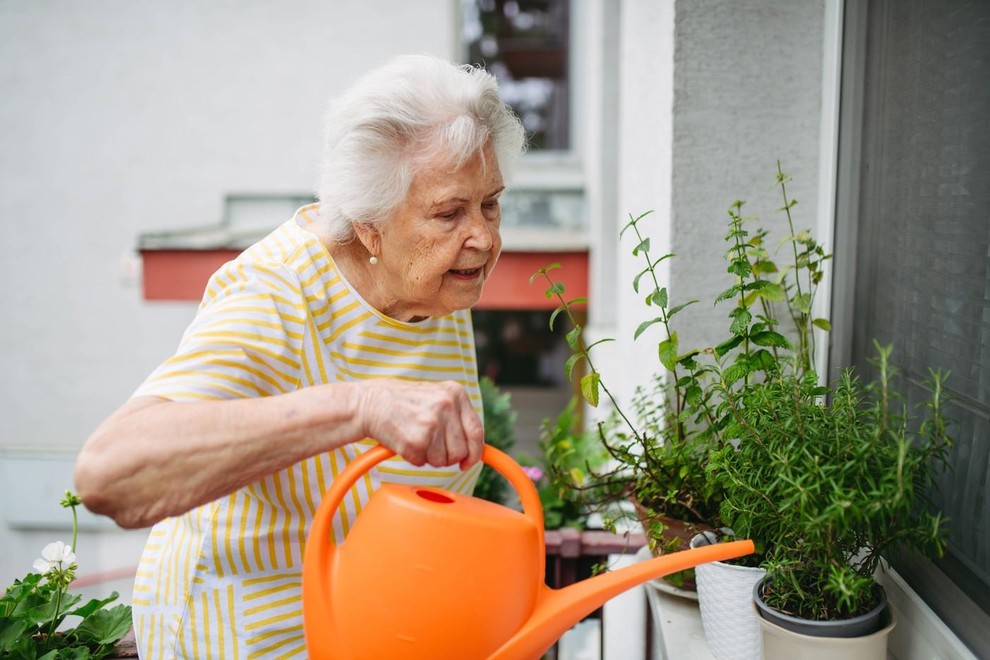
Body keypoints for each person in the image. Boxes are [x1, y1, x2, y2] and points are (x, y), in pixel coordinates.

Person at [74, 53, 526, 659]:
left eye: (490, 205)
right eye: (450, 213)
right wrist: (359, 405)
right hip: (251, 641)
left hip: (374, 635)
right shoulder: (276, 294)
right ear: (369, 225)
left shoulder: (430, 280)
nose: (484, 237)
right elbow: (111, 473)